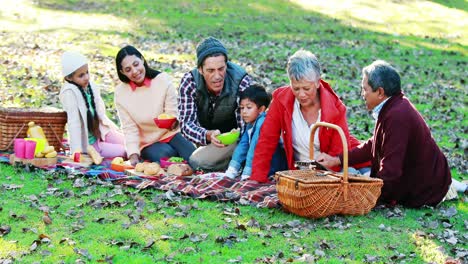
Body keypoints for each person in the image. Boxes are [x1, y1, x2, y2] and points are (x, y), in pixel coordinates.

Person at [317, 60, 457, 207]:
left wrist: (367, 198)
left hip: (426, 190)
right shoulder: (393, 106)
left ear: (380, 92)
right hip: (426, 179)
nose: (362, 94)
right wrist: (337, 160)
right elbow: (374, 144)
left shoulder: (397, 115)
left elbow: (391, 171)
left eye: (365, 89)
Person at [250, 50, 370, 183]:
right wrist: (257, 180)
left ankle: (367, 173)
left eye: (306, 89)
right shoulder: (281, 99)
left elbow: (338, 153)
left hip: (331, 170)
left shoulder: (335, 108)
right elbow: (267, 140)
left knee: (354, 177)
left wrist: (319, 176)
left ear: (318, 82)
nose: (301, 94)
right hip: (300, 173)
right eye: (296, 88)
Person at [178, 36, 252, 171]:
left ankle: (238, 163)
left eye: (221, 69)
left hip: (239, 139)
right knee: (196, 161)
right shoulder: (190, 82)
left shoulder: (241, 81)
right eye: (210, 71)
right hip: (209, 139)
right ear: (200, 69)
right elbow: (186, 124)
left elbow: (247, 127)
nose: (217, 76)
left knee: (198, 161)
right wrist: (207, 134)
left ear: (227, 65)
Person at [114, 45, 195, 166]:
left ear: (142, 59)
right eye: (128, 69)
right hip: (148, 142)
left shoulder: (163, 80)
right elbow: (129, 128)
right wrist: (133, 154)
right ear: (122, 72)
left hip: (170, 134)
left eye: (136, 64)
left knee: (194, 159)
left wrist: (173, 121)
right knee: (166, 156)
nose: (135, 71)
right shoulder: (121, 93)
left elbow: (173, 112)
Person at [59, 51, 126, 158]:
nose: (86, 77)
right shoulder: (70, 93)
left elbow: (100, 115)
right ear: (69, 78)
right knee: (124, 151)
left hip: (102, 132)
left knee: (131, 144)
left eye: (87, 72)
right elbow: (74, 122)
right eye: (81, 75)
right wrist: (77, 151)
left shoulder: (91, 87)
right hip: (90, 144)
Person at [224, 84, 287, 180]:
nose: (244, 112)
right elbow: (243, 145)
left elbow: (255, 147)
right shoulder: (250, 123)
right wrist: (232, 169)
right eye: (242, 108)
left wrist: (248, 173)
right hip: (259, 164)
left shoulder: (263, 122)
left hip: (273, 166)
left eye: (249, 107)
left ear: (261, 109)